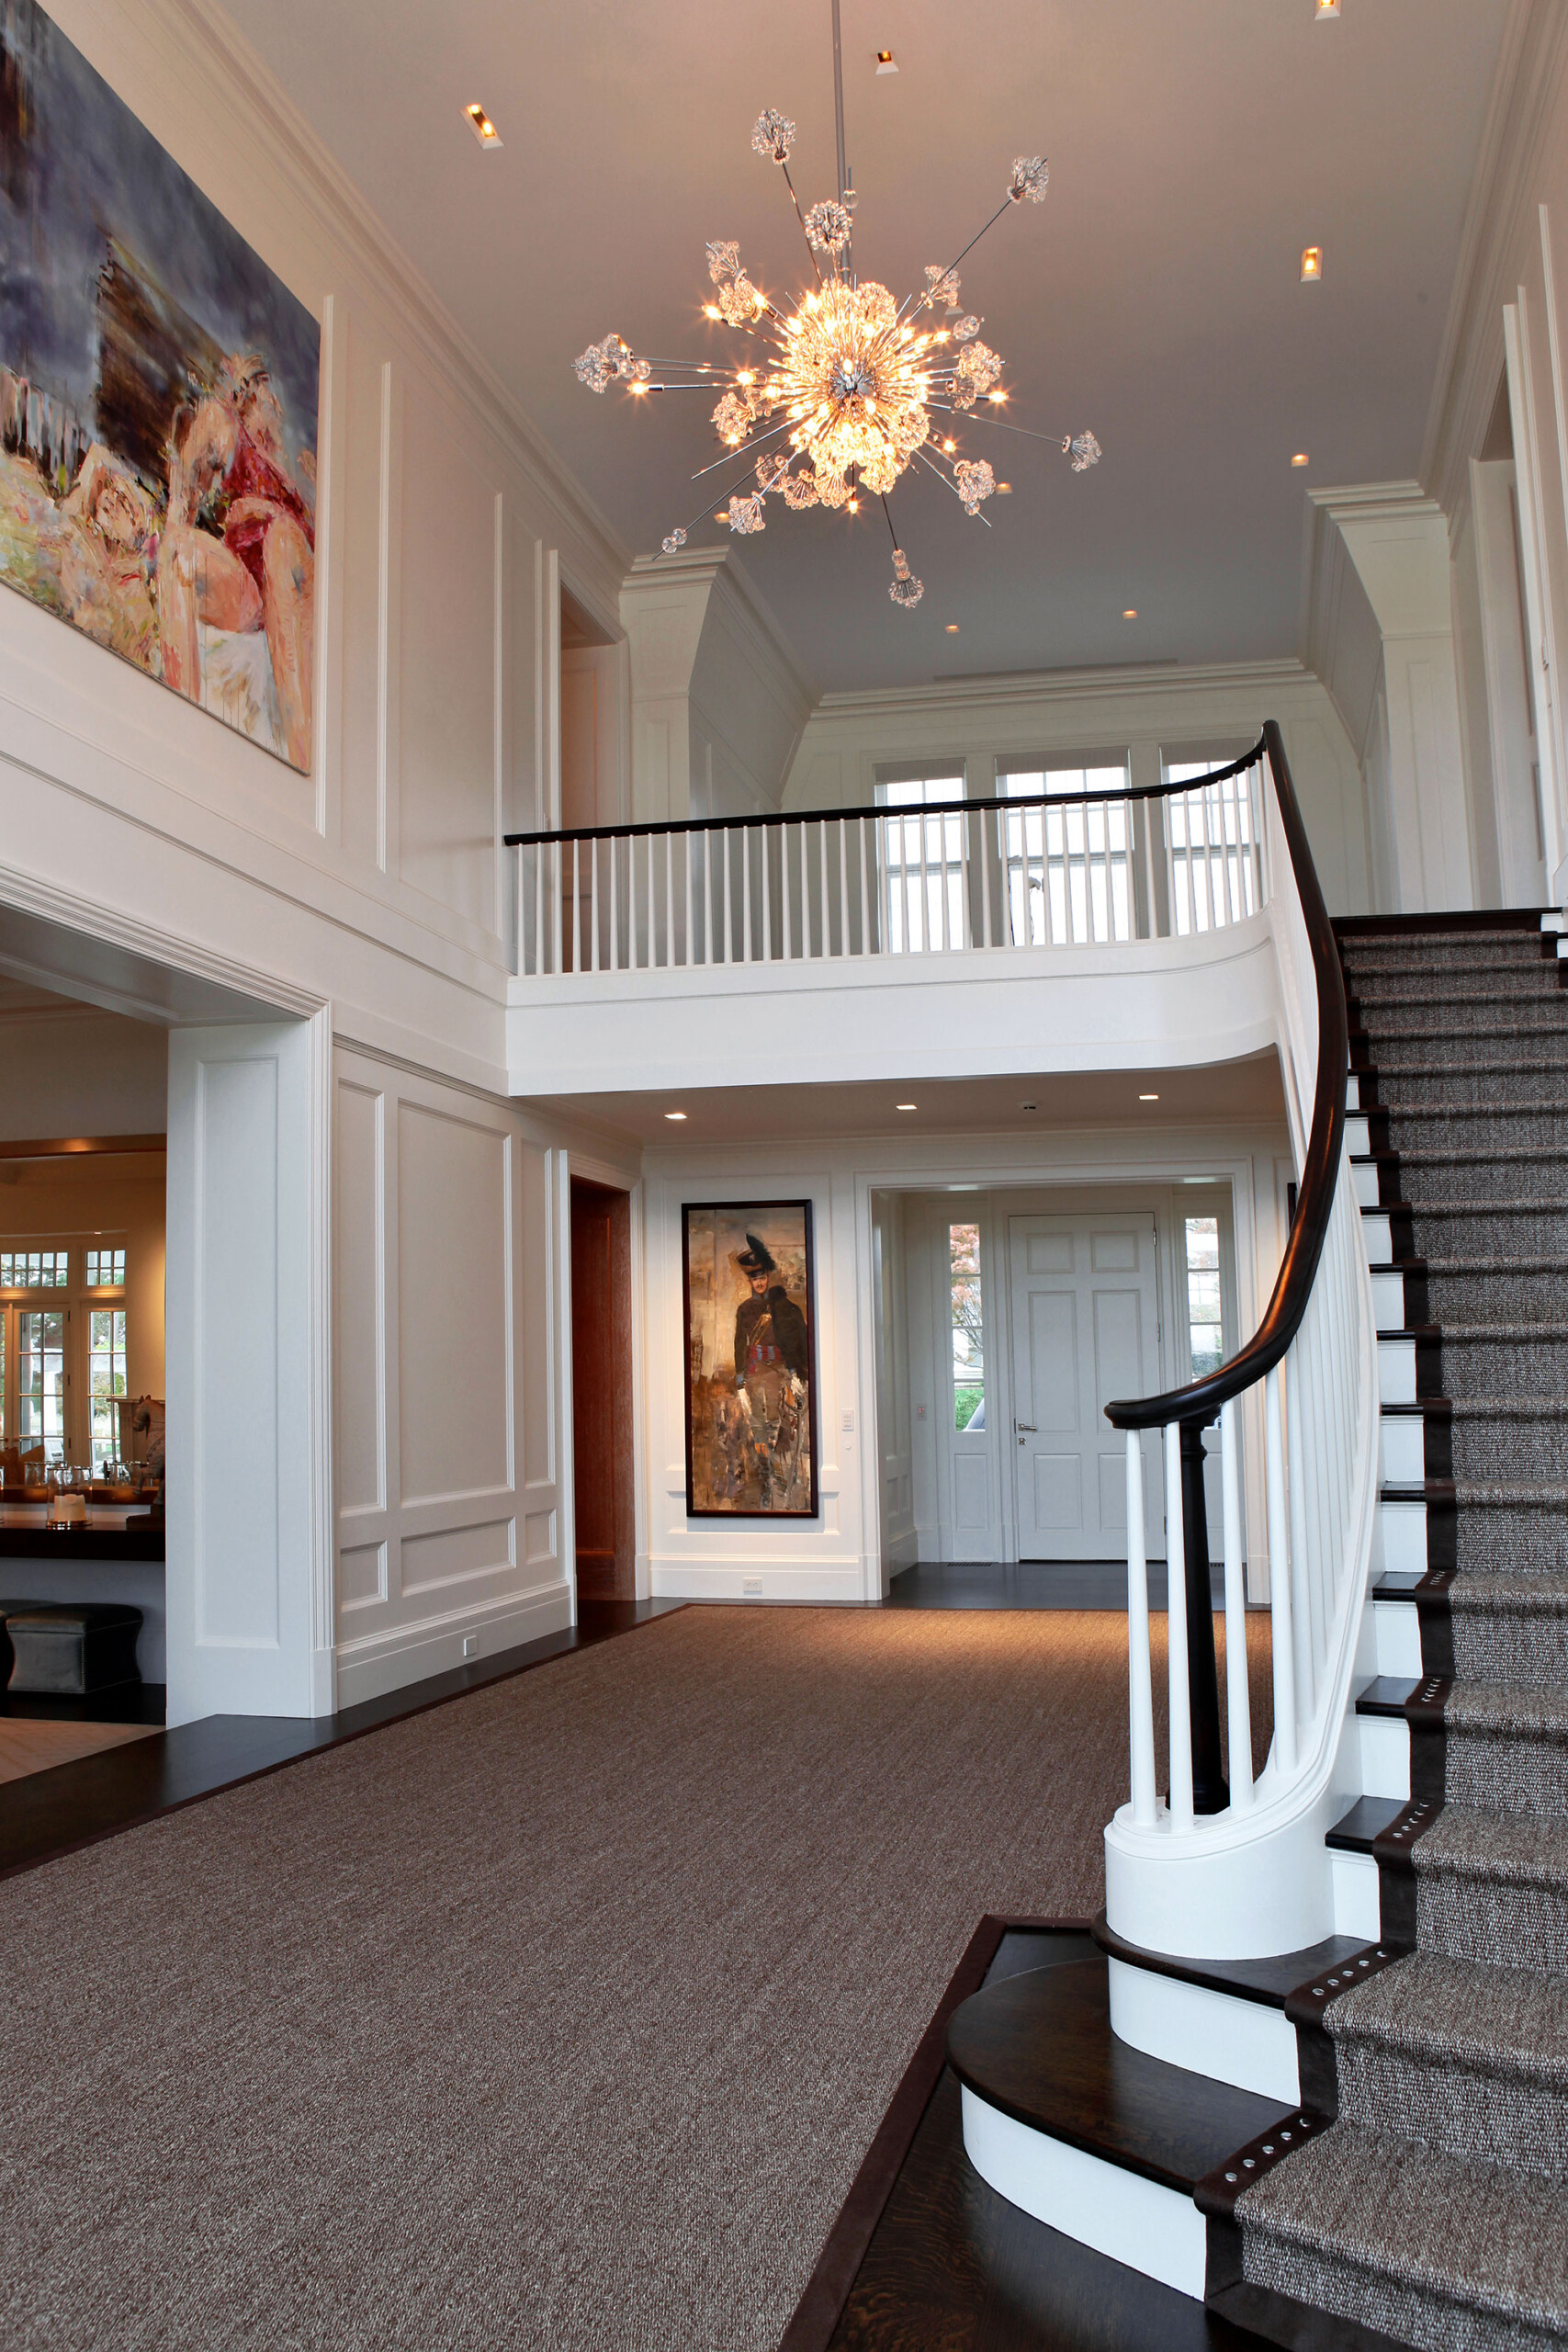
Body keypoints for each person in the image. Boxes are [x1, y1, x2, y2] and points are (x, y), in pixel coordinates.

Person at [732, 1234, 810, 1508]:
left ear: (767, 1276)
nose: (760, 1282)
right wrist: (740, 1377)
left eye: (763, 1276)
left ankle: (778, 1479)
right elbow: (739, 1343)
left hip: (777, 1370)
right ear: (750, 1281)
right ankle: (764, 1477)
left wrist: (794, 1370)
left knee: (778, 1428)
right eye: (755, 1278)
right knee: (758, 1429)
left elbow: (790, 1340)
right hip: (755, 1372)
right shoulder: (745, 1310)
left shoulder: (780, 1307)